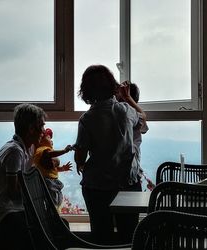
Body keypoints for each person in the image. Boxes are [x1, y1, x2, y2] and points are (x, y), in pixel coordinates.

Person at [74, 64, 147, 244]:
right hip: (127, 185)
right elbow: (143, 117)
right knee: (128, 236)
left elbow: (80, 156)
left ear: (86, 91)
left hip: (97, 187)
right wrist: (128, 98)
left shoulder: (87, 119)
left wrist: (79, 162)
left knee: (101, 235)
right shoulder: (126, 111)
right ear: (112, 86)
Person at [0, 103, 46, 250]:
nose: (43, 132)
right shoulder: (15, 152)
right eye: (42, 126)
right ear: (31, 129)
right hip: (6, 213)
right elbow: (13, 192)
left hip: (15, 209)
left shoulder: (26, 148)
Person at [116, 82, 154, 191]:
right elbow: (144, 125)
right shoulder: (132, 115)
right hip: (130, 172)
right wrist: (127, 97)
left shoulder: (118, 114)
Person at [33, 127, 74, 207]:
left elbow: (53, 169)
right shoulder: (41, 149)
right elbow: (49, 154)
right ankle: (52, 215)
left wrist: (62, 168)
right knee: (52, 203)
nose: (51, 140)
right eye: (48, 137)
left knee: (57, 201)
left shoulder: (44, 151)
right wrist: (64, 151)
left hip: (53, 181)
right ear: (41, 140)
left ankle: (54, 213)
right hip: (47, 181)